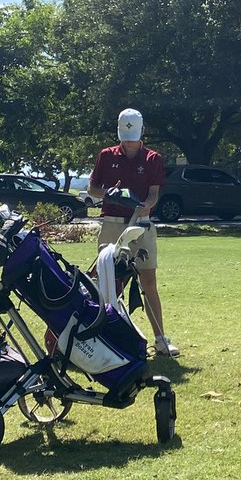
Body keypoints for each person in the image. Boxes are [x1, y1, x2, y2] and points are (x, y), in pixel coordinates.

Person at [88, 108, 179, 358]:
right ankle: (104, 337)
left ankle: (160, 339)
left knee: (148, 282)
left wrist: (141, 206)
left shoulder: (153, 158)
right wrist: (109, 193)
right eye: (125, 137)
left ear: (142, 133)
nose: (128, 142)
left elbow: (153, 194)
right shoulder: (106, 156)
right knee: (108, 282)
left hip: (142, 225)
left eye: (133, 136)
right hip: (112, 223)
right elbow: (93, 188)